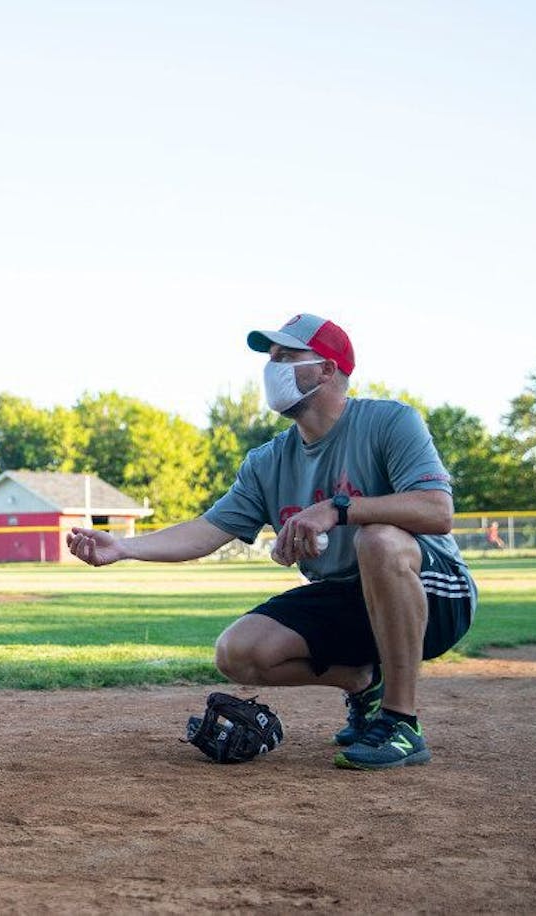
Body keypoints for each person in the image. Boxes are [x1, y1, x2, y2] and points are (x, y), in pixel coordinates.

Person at [67, 313, 476, 771]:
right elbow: (207, 529)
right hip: (347, 594)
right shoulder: (268, 460)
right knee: (239, 651)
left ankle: (402, 723)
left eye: (286, 356)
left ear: (327, 369)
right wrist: (125, 547)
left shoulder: (389, 421)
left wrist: (337, 509)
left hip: (435, 592)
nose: (272, 367)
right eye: (270, 357)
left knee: (378, 540)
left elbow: (437, 512)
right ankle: (363, 684)